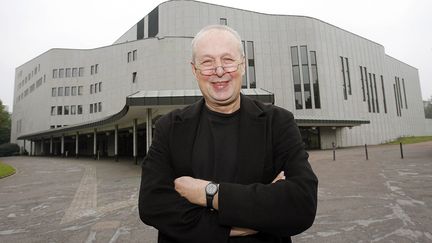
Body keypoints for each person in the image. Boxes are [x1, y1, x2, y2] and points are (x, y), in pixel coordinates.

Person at [139, 25, 318, 243]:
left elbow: (301, 204)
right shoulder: (170, 127)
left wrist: (209, 192)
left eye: (228, 59)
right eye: (207, 62)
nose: (219, 71)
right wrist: (234, 226)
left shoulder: (278, 123)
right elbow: (153, 204)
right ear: (194, 70)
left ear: (242, 65)